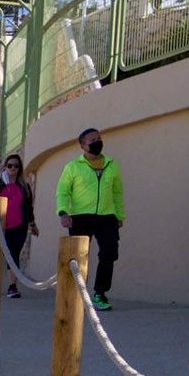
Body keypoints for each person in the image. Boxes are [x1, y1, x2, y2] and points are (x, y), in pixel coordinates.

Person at [55, 127, 125, 311]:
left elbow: (117, 193)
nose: (97, 142)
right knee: (77, 257)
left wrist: (119, 215)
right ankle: (75, 294)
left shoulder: (112, 165)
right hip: (80, 217)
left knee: (109, 253)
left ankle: (100, 293)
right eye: (92, 140)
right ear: (83, 145)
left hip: (107, 216)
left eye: (99, 138)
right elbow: (63, 192)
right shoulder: (73, 167)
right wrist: (63, 212)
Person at [0, 154, 37, 297]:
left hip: (19, 226)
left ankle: (12, 286)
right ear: (5, 167)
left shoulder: (24, 186)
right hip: (0, 226)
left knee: (13, 255)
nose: (13, 168)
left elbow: (28, 208)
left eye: (16, 166)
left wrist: (32, 225)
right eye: (10, 165)